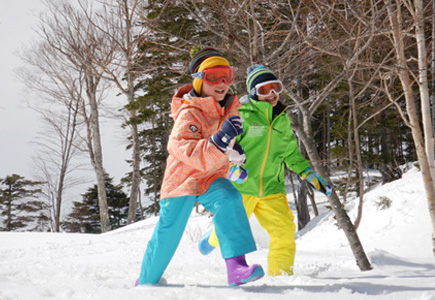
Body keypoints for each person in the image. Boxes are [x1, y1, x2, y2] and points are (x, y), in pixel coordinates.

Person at [136, 48, 264, 287]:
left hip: (211, 177)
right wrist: (218, 142)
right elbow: (179, 147)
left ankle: (236, 267)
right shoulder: (189, 111)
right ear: (198, 80)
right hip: (182, 180)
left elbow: (226, 144)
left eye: (227, 75)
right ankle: (146, 281)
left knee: (230, 199)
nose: (222, 83)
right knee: (169, 230)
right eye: (213, 77)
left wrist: (235, 154)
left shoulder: (229, 108)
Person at [198, 64, 332, 276]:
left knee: (285, 232)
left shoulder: (282, 120)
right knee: (228, 229)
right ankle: (212, 238)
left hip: (272, 187)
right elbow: (226, 148)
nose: (272, 94)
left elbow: (290, 154)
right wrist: (232, 167)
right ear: (253, 92)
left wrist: (309, 174)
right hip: (243, 187)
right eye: (264, 89)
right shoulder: (241, 115)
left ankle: (281, 277)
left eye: (275, 88)